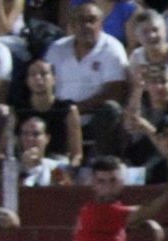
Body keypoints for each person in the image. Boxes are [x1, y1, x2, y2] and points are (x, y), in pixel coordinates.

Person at [44, 3, 128, 155]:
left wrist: (77, 109)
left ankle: (103, 163)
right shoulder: (56, 49)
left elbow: (117, 92)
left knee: (111, 109)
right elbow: (44, 83)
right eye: (81, 21)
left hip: (94, 117)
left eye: (92, 20)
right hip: (60, 116)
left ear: (101, 24)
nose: (86, 25)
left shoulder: (113, 49)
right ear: (72, 25)